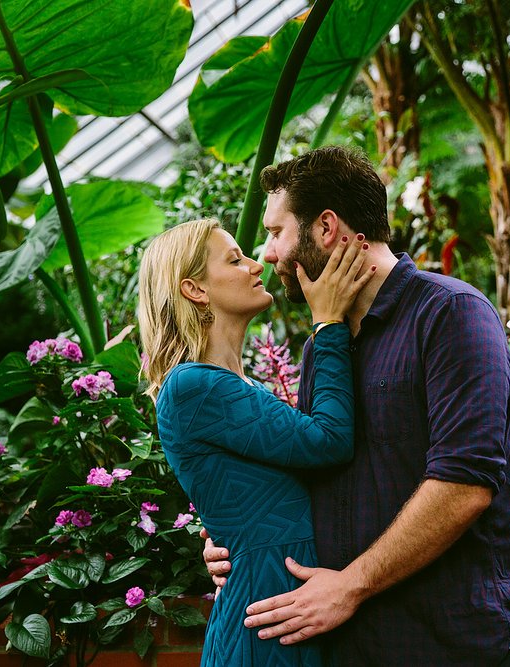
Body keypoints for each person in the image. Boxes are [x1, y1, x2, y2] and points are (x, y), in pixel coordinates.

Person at [203, 146, 510, 666]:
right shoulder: (324, 344)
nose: (267, 253)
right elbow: (326, 471)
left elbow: (465, 485)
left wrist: (350, 586)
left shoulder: (452, 312)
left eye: (276, 233)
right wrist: (241, 538)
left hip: (461, 644)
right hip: (359, 647)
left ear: (326, 227)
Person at [137, 218, 375, 666]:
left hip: (284, 611)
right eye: (234, 259)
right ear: (195, 290)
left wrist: (226, 535)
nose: (256, 265)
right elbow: (329, 441)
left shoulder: (229, 386)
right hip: (265, 626)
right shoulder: (196, 385)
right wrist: (327, 325)